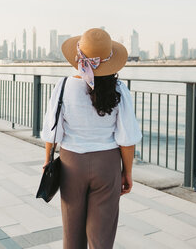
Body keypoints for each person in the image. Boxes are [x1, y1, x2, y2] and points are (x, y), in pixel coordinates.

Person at [41, 28, 142, 249]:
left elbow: (53, 130)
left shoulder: (64, 87)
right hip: (107, 165)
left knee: (72, 235)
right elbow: (126, 137)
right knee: (101, 238)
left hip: (71, 165)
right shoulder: (119, 89)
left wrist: (48, 160)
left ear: (78, 56)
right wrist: (127, 172)